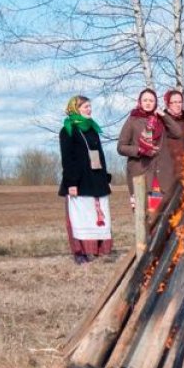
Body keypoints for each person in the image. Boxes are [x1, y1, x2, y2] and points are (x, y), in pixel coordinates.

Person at [58, 95, 113, 264]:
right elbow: (68, 159)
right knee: (80, 215)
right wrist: (71, 183)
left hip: (96, 179)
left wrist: (106, 177)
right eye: (85, 107)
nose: (89, 109)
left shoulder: (92, 129)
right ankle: (80, 252)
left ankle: (97, 250)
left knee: (97, 214)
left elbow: (100, 156)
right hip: (79, 180)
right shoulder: (68, 130)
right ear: (75, 109)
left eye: (90, 106)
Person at [117, 88, 182, 213]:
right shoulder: (132, 120)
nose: (148, 103)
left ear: (155, 103)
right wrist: (140, 150)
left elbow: (178, 133)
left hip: (159, 176)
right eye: (145, 100)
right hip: (140, 173)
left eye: (151, 100)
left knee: (157, 215)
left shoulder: (161, 120)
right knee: (142, 214)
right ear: (140, 102)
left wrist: (164, 115)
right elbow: (121, 147)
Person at [163, 89, 184, 181]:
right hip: (166, 172)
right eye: (174, 102)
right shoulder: (161, 121)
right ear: (168, 104)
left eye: (180, 102)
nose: (177, 105)